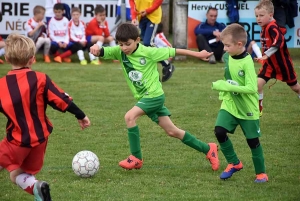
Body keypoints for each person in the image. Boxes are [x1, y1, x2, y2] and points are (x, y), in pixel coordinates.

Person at [90, 22, 219, 171]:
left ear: (137, 40)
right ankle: (208, 149)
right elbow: (103, 51)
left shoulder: (149, 52)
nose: (124, 48)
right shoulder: (119, 52)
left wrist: (198, 54)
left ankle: (136, 158)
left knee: (129, 117)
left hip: (154, 96)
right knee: (172, 131)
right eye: (120, 44)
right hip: (145, 98)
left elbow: (174, 51)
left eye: (127, 44)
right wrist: (96, 49)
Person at [0, 33, 90, 200]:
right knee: (17, 174)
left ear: (6, 58)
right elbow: (61, 100)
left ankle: (35, 186)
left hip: (16, 141)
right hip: (40, 140)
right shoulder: (40, 79)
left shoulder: (2, 86)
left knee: (8, 165)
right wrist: (81, 115)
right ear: (32, 59)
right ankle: (37, 188)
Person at [212, 23, 268, 183]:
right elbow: (228, 77)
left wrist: (227, 86)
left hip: (247, 107)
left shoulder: (247, 62)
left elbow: (252, 88)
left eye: (227, 45)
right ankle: (234, 163)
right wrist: (225, 89)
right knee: (219, 131)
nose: (224, 48)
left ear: (239, 44)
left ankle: (261, 173)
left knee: (252, 141)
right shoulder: (227, 56)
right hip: (230, 103)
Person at [255, 0, 300, 116]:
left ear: (270, 15)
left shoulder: (272, 27)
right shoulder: (264, 27)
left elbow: (279, 42)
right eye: (256, 16)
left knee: (295, 88)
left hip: (282, 65)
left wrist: (266, 54)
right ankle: (258, 110)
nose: (258, 18)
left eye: (261, 15)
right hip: (269, 65)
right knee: (257, 85)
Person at [129, 0, 175, 82]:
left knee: (148, 43)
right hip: (141, 17)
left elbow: (158, 1)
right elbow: (132, 4)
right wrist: (133, 17)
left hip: (153, 17)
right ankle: (154, 73)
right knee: (146, 47)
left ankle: (167, 64)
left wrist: (147, 11)